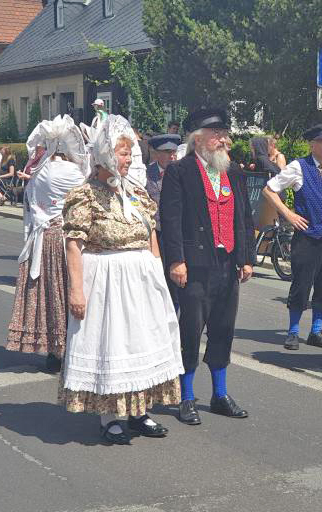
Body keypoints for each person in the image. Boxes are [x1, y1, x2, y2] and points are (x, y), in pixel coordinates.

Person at [61, 114, 183, 444]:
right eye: (121, 153)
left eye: (130, 153)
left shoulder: (138, 193)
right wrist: (77, 290)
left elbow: (150, 235)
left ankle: (140, 411)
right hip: (105, 279)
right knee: (111, 344)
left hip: (141, 278)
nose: (127, 160)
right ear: (103, 156)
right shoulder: (84, 195)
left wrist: (158, 273)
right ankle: (110, 417)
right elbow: (74, 244)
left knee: (141, 341)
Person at [161, 106, 255, 425]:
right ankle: (186, 397)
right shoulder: (180, 171)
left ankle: (220, 394)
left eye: (224, 134)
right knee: (190, 330)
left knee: (223, 329)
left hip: (226, 262)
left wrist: (245, 258)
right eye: (216, 135)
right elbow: (171, 220)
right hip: (194, 264)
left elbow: (244, 218)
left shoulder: (234, 172)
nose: (223, 140)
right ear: (198, 139)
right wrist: (176, 260)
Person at [6, 116, 88, 372]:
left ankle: (54, 349)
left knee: (52, 293)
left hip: (45, 236)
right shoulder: (71, 171)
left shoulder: (41, 169)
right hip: (68, 236)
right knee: (71, 292)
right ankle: (73, 348)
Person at [264, 124, 322, 350]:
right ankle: (293, 331)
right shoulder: (299, 166)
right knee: (301, 283)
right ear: (312, 144)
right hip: (307, 236)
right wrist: (289, 214)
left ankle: (316, 331)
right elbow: (269, 190)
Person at [146, 133, 182, 306]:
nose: (172, 156)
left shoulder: (183, 173)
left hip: (178, 234)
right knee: (158, 278)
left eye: (174, 152)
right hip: (156, 235)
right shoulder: (146, 175)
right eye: (167, 152)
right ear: (157, 153)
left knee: (177, 283)